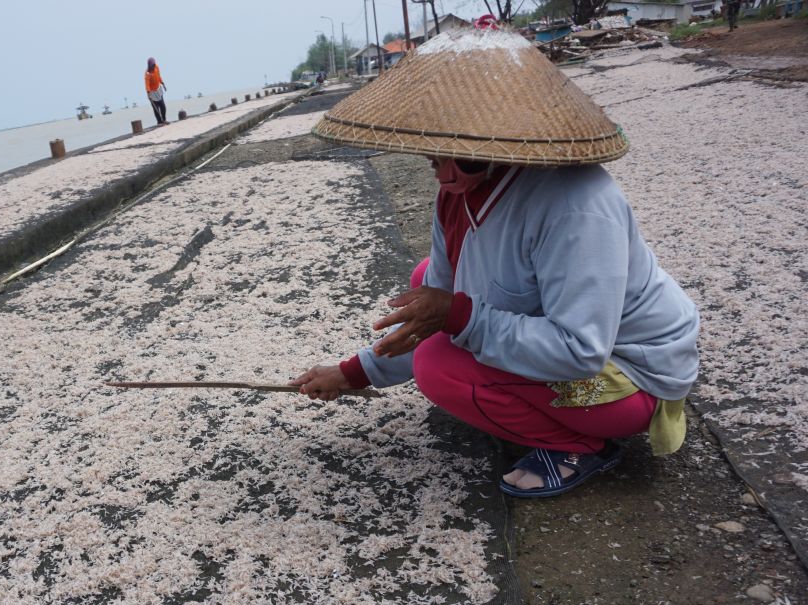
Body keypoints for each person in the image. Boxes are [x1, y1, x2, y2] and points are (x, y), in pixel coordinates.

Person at [295, 27, 700, 499]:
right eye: (434, 151)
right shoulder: (458, 192)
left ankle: (581, 445)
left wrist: (459, 317)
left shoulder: (577, 207)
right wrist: (353, 373)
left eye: (457, 155)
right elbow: (436, 305)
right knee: (425, 282)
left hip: (630, 372)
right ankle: (521, 399)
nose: (439, 166)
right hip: (568, 335)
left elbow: (581, 350)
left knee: (438, 364)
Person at [145, 58, 168, 126]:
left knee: (163, 106)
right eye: (151, 65)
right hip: (152, 92)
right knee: (156, 108)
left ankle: (164, 119)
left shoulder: (157, 67)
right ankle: (159, 122)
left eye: (153, 64)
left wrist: (163, 84)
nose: (152, 66)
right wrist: (148, 94)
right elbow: (147, 85)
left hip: (158, 89)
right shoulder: (147, 73)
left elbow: (159, 76)